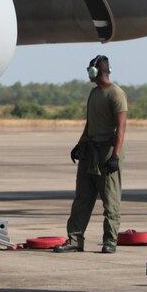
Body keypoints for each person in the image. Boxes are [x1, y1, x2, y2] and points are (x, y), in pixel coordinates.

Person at [53, 55, 128, 254]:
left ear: (96, 71)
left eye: (89, 70)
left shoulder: (116, 93)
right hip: (90, 151)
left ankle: (110, 241)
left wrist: (115, 156)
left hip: (107, 152)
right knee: (82, 198)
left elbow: (121, 127)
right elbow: (90, 123)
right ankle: (75, 240)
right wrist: (79, 144)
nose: (88, 73)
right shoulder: (94, 93)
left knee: (110, 199)